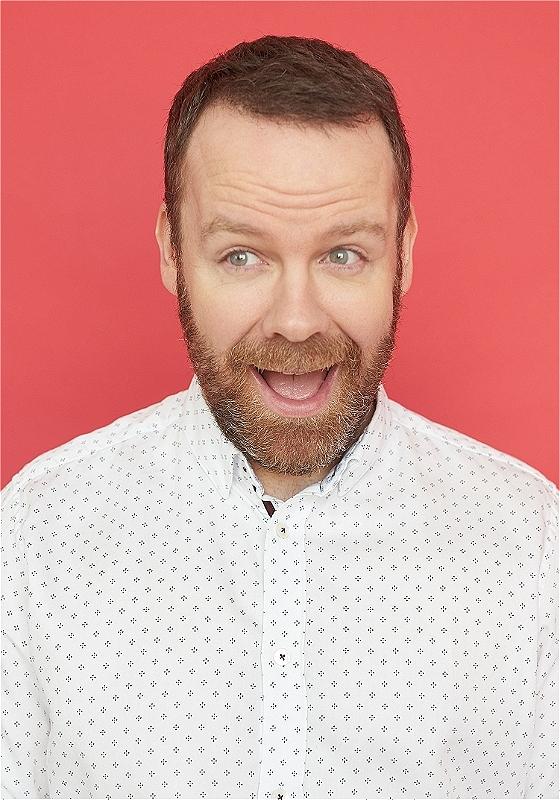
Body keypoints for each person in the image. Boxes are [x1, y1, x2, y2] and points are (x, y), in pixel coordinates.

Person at [2, 35, 557, 800]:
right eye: (242, 256)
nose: (296, 321)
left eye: (343, 255)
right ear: (172, 250)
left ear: (403, 252)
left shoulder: (533, 549)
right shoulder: (33, 539)